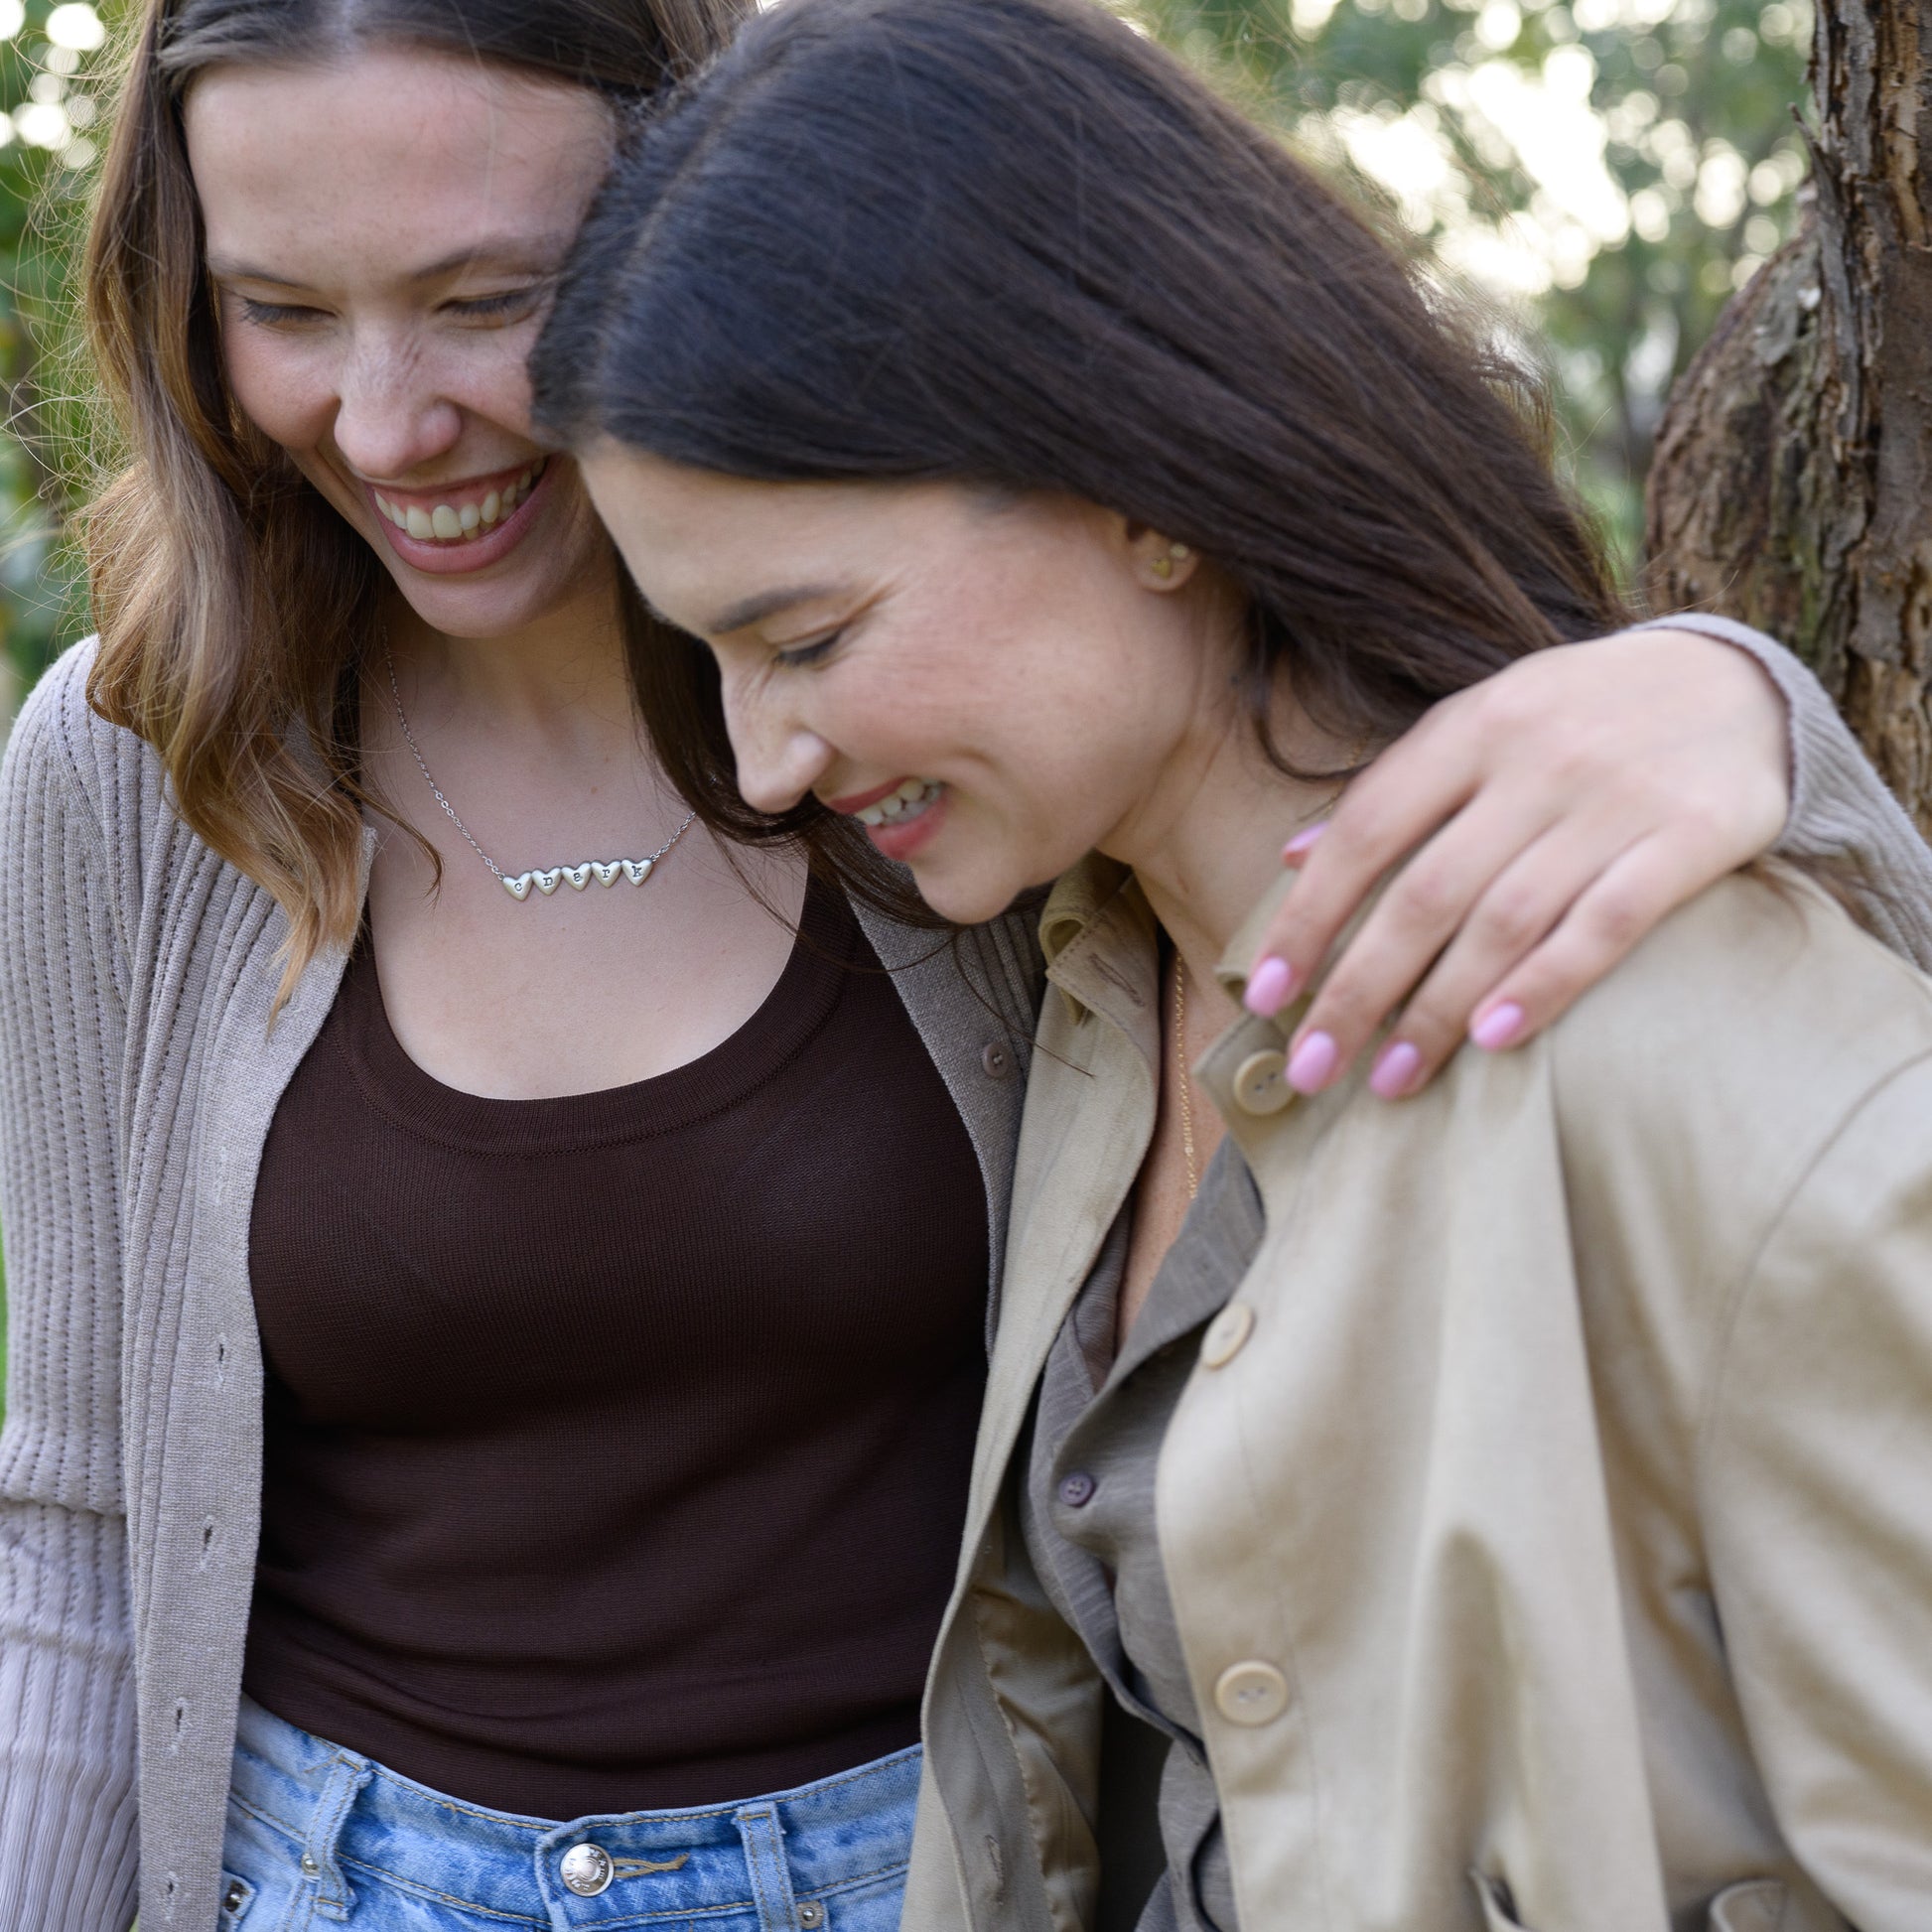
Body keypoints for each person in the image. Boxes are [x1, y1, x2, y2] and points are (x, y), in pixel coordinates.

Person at [535, 1, 1932, 1927]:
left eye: (807, 636)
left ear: (1138, 487)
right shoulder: (1084, 984)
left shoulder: (1711, 1071)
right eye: (708, 655)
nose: (761, 760)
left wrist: (1765, 720)